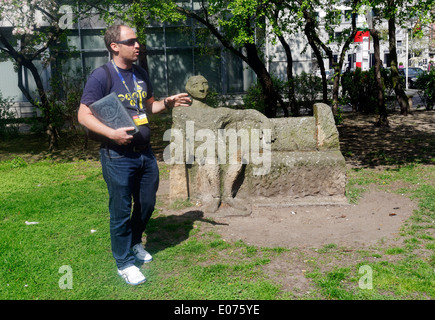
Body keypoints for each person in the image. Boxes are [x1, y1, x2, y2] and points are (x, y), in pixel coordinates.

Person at [78, 24, 191, 285]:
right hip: (117, 155)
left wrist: (168, 103)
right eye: (130, 41)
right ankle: (124, 263)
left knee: (147, 203)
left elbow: (148, 106)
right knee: (120, 210)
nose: (137, 45)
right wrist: (111, 134)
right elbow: (83, 114)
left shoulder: (140, 72)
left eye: (137, 40)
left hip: (145, 154)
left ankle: (135, 242)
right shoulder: (101, 76)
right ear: (114, 46)